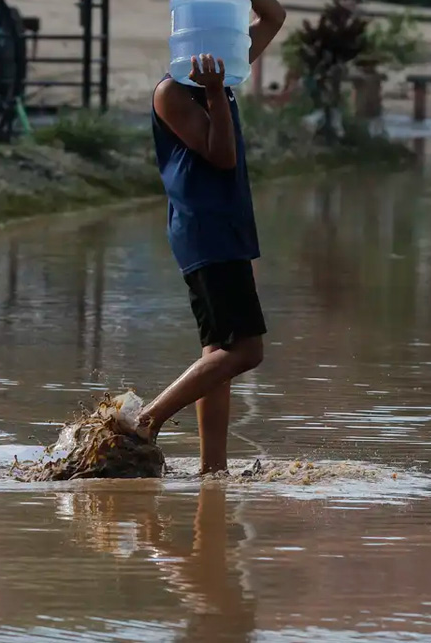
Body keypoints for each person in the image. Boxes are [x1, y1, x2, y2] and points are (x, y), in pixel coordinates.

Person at [135, 0, 287, 474]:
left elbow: (274, 17)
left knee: (217, 353)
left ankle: (212, 469)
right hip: (206, 231)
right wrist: (217, 93)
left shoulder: (229, 69)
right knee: (245, 350)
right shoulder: (173, 93)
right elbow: (221, 156)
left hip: (225, 227)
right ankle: (146, 420)